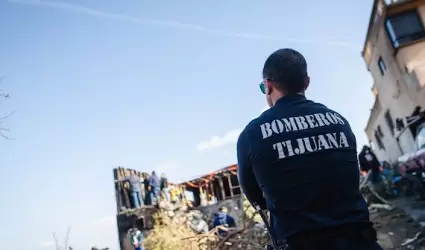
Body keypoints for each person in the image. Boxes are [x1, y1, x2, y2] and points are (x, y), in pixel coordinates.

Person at [237, 48, 383, 250]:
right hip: (359, 242)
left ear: (268, 86)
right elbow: (349, 177)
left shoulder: (251, 135)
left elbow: (255, 197)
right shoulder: (339, 121)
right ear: (306, 82)